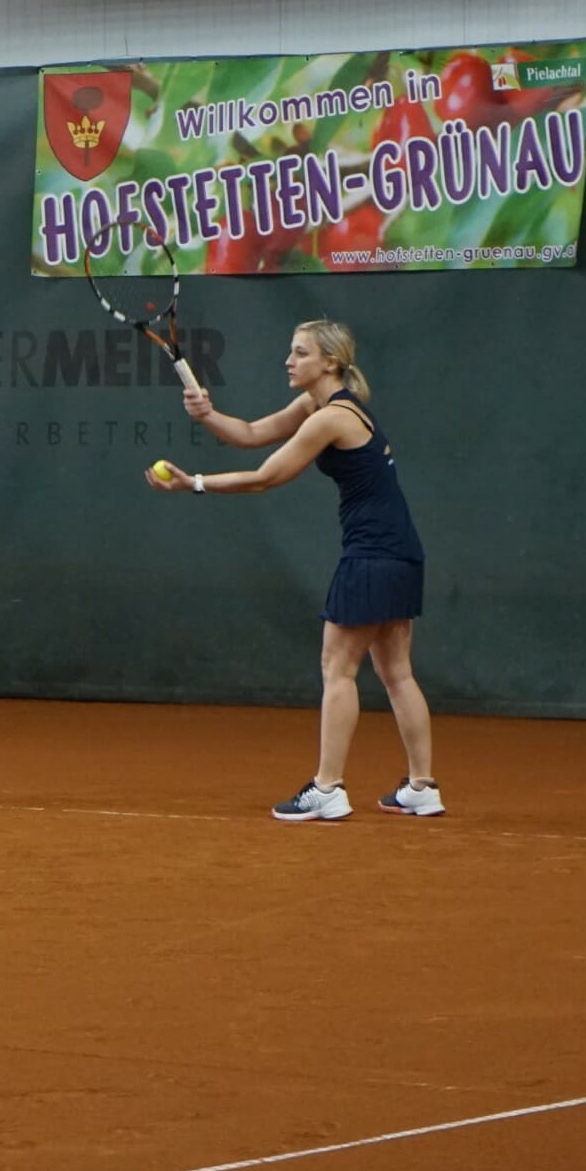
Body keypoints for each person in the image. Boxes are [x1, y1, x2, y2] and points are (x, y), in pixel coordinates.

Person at [146, 319, 443, 823]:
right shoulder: (318, 406)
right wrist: (208, 415)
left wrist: (193, 482)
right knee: (396, 673)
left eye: (300, 352)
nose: (288, 360)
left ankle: (328, 788)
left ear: (330, 362)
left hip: (371, 553)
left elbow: (266, 478)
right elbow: (252, 434)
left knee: (338, 668)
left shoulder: (333, 418)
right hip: (401, 551)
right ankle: (422, 787)